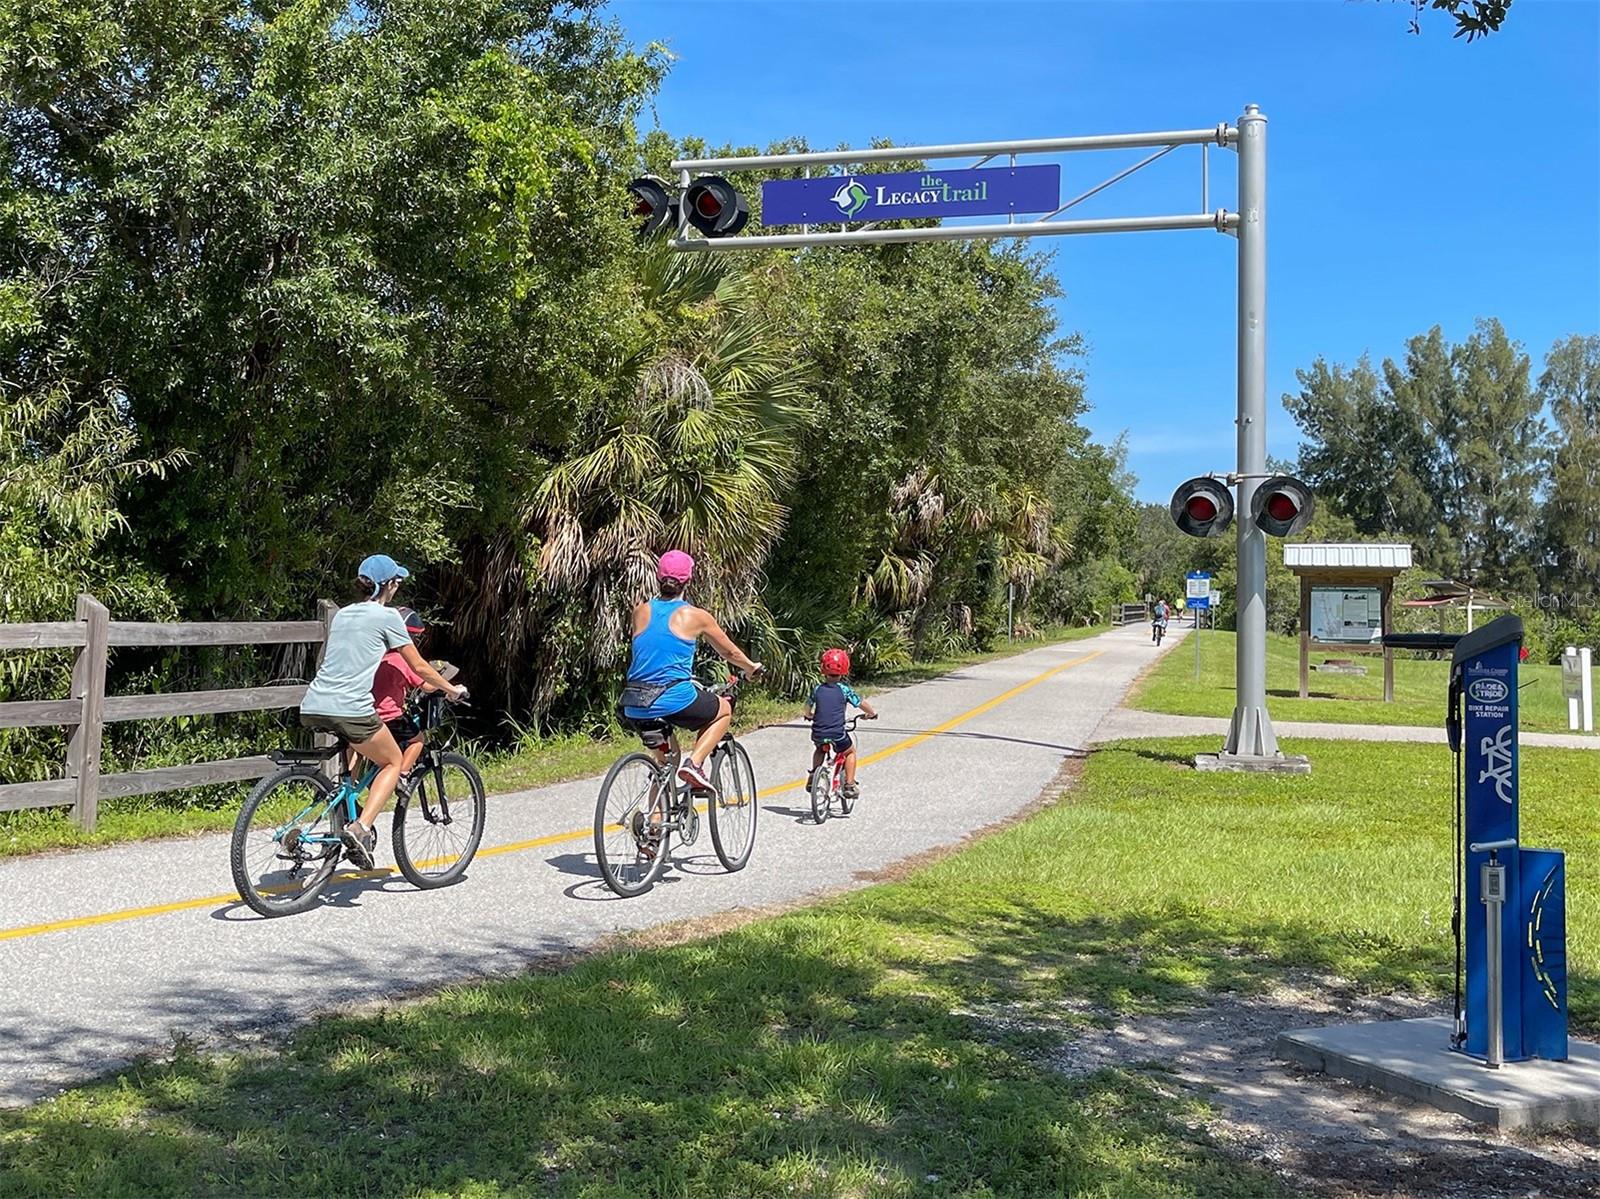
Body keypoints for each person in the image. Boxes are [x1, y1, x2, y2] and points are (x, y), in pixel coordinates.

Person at [299, 555, 466, 870]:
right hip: (351, 709)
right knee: (391, 761)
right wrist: (451, 689)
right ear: (388, 584)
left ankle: (342, 810)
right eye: (396, 580)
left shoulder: (344, 615)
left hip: (314, 704)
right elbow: (418, 667)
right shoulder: (389, 617)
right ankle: (360, 828)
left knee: (357, 756)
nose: (398, 584)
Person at [621, 550, 761, 792]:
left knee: (666, 761)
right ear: (688, 580)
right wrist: (751, 668)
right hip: (673, 697)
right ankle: (695, 765)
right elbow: (730, 654)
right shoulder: (696, 616)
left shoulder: (640, 611)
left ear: (658, 578)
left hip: (635, 703)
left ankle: (655, 825)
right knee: (724, 709)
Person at [369, 607, 452, 789]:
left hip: (368, 714)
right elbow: (427, 685)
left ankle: (351, 783)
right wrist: (445, 682)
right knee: (418, 740)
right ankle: (402, 775)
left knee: (359, 750)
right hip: (390, 716)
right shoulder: (401, 660)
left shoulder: (375, 657)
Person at [804, 648, 878, 802]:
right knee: (849, 752)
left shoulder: (817, 689)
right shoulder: (844, 690)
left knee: (819, 749)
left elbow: (807, 706)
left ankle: (813, 776)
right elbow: (861, 703)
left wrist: (808, 715)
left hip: (818, 732)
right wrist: (872, 713)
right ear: (845, 669)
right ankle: (850, 785)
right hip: (837, 733)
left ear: (823, 668)